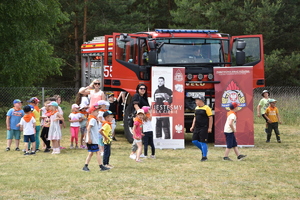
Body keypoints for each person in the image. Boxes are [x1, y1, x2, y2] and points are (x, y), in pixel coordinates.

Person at [82, 103, 110, 172]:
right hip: (92, 140)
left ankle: (85, 166)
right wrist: (89, 138)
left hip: (93, 139)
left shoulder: (92, 119)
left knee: (91, 153)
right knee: (97, 152)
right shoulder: (92, 120)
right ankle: (101, 166)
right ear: (92, 112)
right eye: (97, 112)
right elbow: (88, 129)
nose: (98, 113)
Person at [190, 96, 213, 162]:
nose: (195, 102)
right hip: (197, 127)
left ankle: (204, 156)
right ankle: (204, 150)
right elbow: (195, 117)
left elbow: (210, 118)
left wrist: (210, 127)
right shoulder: (196, 108)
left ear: (201, 101)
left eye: (197, 101)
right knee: (194, 141)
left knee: (203, 142)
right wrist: (192, 126)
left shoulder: (207, 108)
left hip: (204, 127)